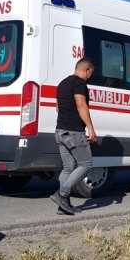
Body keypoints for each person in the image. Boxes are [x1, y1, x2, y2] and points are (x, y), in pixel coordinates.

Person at [50, 57, 97, 215]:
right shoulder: (79, 83)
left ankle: (63, 205)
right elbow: (81, 104)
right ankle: (62, 194)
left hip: (60, 130)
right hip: (73, 131)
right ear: (87, 70)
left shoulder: (62, 83)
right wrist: (90, 128)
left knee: (68, 168)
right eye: (91, 72)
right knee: (86, 164)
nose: (90, 76)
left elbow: (57, 107)